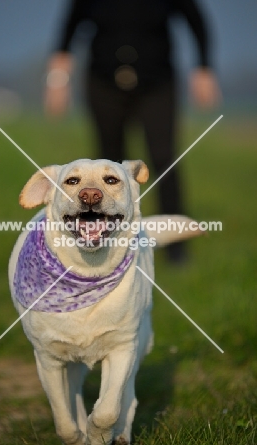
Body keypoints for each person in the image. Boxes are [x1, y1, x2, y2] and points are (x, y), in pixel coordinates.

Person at [44, 0, 221, 263]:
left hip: (157, 84)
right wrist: (57, 81)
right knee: (109, 163)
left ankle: (176, 249)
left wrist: (204, 69)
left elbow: (197, 22)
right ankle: (109, 243)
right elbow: (68, 30)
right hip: (104, 83)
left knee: (163, 158)